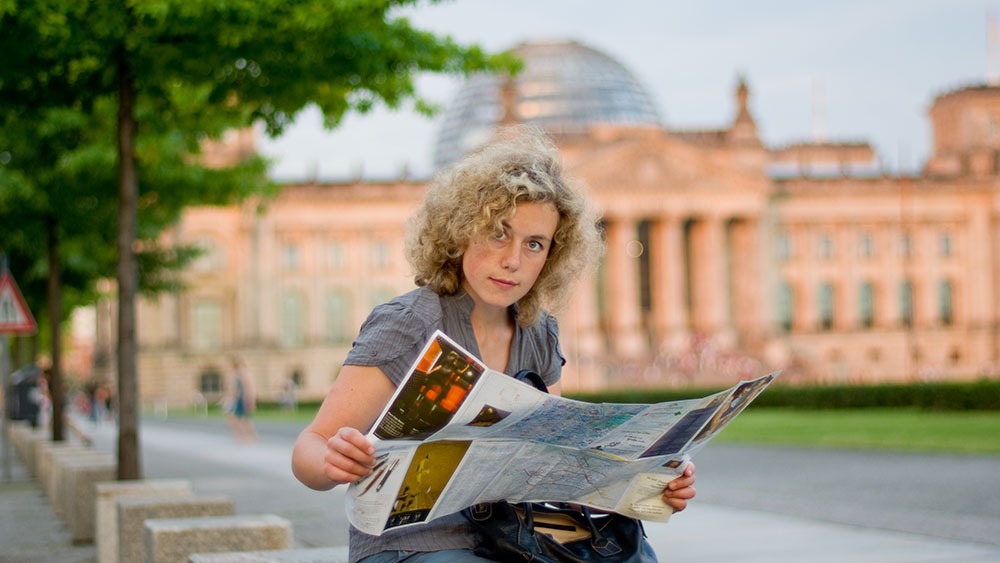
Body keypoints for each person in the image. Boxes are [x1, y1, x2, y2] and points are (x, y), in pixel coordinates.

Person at [291, 126, 696, 563]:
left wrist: (648, 483)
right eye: (499, 233)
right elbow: (309, 448)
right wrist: (332, 461)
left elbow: (552, 473)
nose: (513, 261)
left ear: (551, 257)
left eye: (534, 244)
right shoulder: (408, 324)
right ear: (461, 231)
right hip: (414, 546)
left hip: (513, 538)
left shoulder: (538, 331)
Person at [226, 357, 258, 442]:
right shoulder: (238, 374)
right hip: (239, 399)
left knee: (243, 419)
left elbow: (249, 388)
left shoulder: (244, 374)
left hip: (243, 399)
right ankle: (242, 436)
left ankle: (248, 436)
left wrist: (250, 401)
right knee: (239, 419)